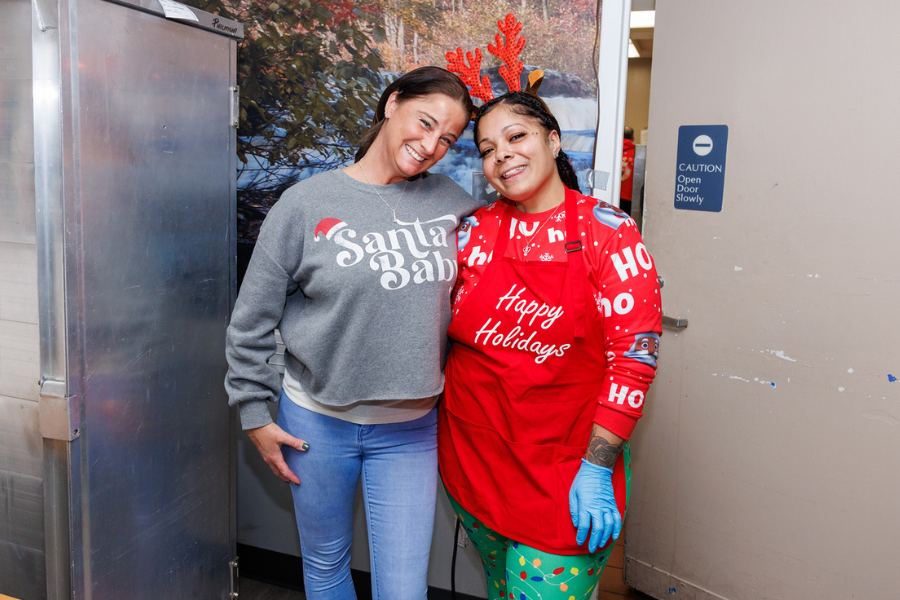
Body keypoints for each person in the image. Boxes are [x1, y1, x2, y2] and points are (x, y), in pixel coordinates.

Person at [225, 66, 481, 600]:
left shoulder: (454, 204)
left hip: (409, 430)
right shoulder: (305, 203)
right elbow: (251, 320)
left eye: (448, 138)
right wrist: (254, 415)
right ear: (392, 104)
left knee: (404, 590)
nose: (432, 145)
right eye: (425, 121)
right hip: (316, 423)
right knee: (324, 568)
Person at [439, 91, 662, 600]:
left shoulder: (611, 233)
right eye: (488, 148)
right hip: (475, 468)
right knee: (500, 589)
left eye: (516, 137)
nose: (503, 155)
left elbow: (634, 359)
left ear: (554, 140)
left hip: (567, 476)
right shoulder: (472, 231)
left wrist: (597, 468)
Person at [620, 126, 635, 215]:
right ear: (633, 138)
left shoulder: (612, 152)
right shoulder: (635, 154)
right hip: (628, 196)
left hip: (611, 193)